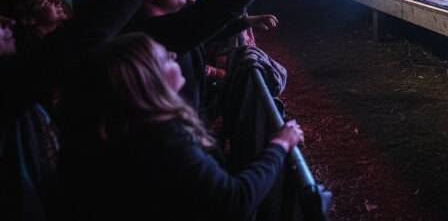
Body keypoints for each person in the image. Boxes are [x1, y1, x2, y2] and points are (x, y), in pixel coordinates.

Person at [60, 33, 304, 221]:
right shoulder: (163, 138)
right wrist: (281, 143)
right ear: (147, 78)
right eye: (164, 57)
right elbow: (235, 200)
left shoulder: (134, 130)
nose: (175, 56)